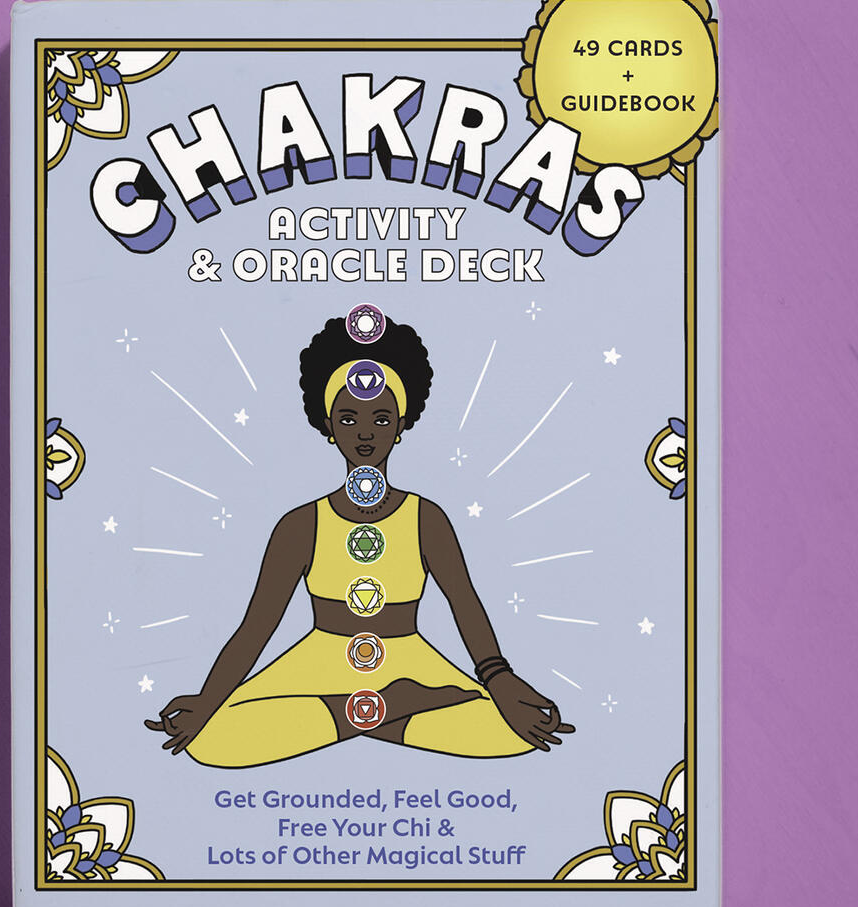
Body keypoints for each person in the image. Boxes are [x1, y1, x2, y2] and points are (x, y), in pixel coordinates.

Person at [145, 311, 571, 766]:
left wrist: (499, 679)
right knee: (212, 739)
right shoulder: (300, 524)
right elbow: (256, 628)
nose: (365, 433)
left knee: (514, 731)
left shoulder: (426, 518)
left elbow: (464, 604)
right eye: (348, 419)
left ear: (402, 425)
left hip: (408, 659)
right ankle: (393, 705)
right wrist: (208, 700)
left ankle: (361, 711)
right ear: (327, 426)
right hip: (318, 662)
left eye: (381, 419)